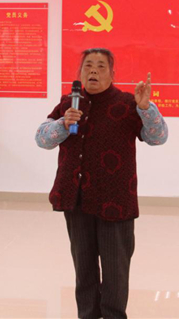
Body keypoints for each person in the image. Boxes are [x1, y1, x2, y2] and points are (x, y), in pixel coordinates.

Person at [35, 48, 168, 319]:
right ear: (80, 72)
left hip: (115, 200)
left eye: (100, 66)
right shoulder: (68, 104)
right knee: (83, 269)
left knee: (115, 271)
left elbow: (158, 137)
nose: (93, 70)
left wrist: (146, 109)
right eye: (88, 65)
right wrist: (63, 124)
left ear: (112, 73)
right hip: (76, 198)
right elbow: (42, 139)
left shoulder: (128, 104)